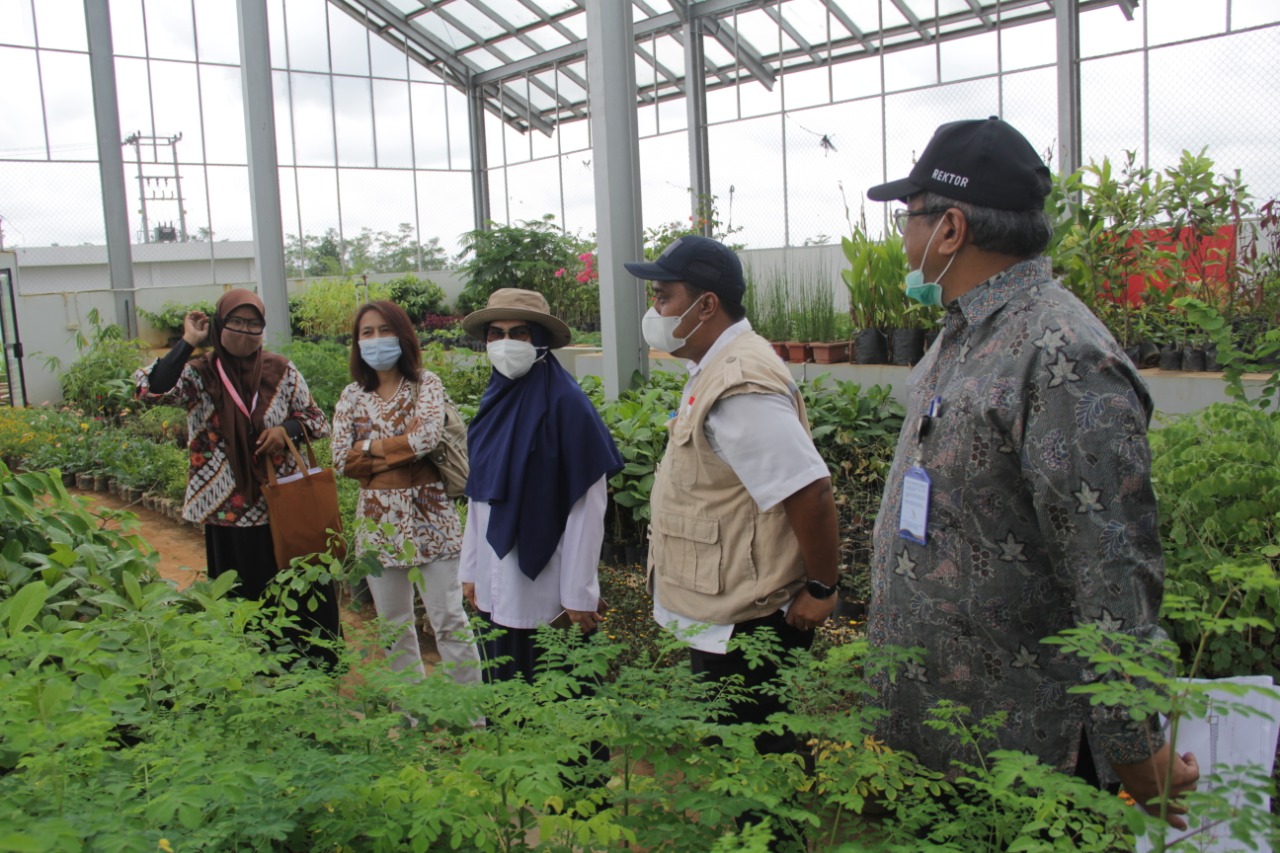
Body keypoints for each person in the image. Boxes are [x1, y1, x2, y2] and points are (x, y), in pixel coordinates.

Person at [863, 117, 1198, 827]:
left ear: (951, 228)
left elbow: (1111, 567)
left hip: (1018, 756)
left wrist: (1137, 747)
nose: (902, 234)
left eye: (909, 216)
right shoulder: (963, 335)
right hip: (938, 733)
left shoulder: (1061, 356)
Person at [625, 236, 840, 843]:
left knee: (759, 765)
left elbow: (809, 492)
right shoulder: (714, 365)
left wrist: (823, 587)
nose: (656, 310)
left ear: (706, 305)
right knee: (741, 758)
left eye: (664, 296)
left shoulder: (739, 384)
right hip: (725, 608)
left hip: (750, 620)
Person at [134, 288, 340, 667]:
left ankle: (315, 667)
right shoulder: (199, 375)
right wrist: (188, 343)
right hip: (227, 510)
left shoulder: (280, 369)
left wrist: (286, 431)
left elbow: (316, 420)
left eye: (254, 324)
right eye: (236, 323)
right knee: (244, 597)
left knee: (300, 584)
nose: (246, 331)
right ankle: (256, 674)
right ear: (218, 324)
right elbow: (151, 389)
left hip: (283, 505)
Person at [457, 288, 622, 683]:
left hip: (549, 591)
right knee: (506, 694)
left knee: (559, 697)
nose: (505, 343)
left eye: (519, 333)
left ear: (541, 340)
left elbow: (588, 505)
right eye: (495, 334)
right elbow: (480, 495)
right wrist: (471, 569)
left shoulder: (567, 403)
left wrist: (578, 595)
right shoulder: (494, 403)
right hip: (494, 582)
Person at [331, 300, 482, 685]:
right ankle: (412, 713)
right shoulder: (352, 396)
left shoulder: (425, 384)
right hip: (379, 523)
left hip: (432, 516)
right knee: (394, 627)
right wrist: (402, 446)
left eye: (385, 330)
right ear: (357, 342)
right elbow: (340, 460)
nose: (376, 339)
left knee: (448, 619)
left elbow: (428, 437)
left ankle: (471, 716)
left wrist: (367, 449)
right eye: (367, 333)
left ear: (403, 336)